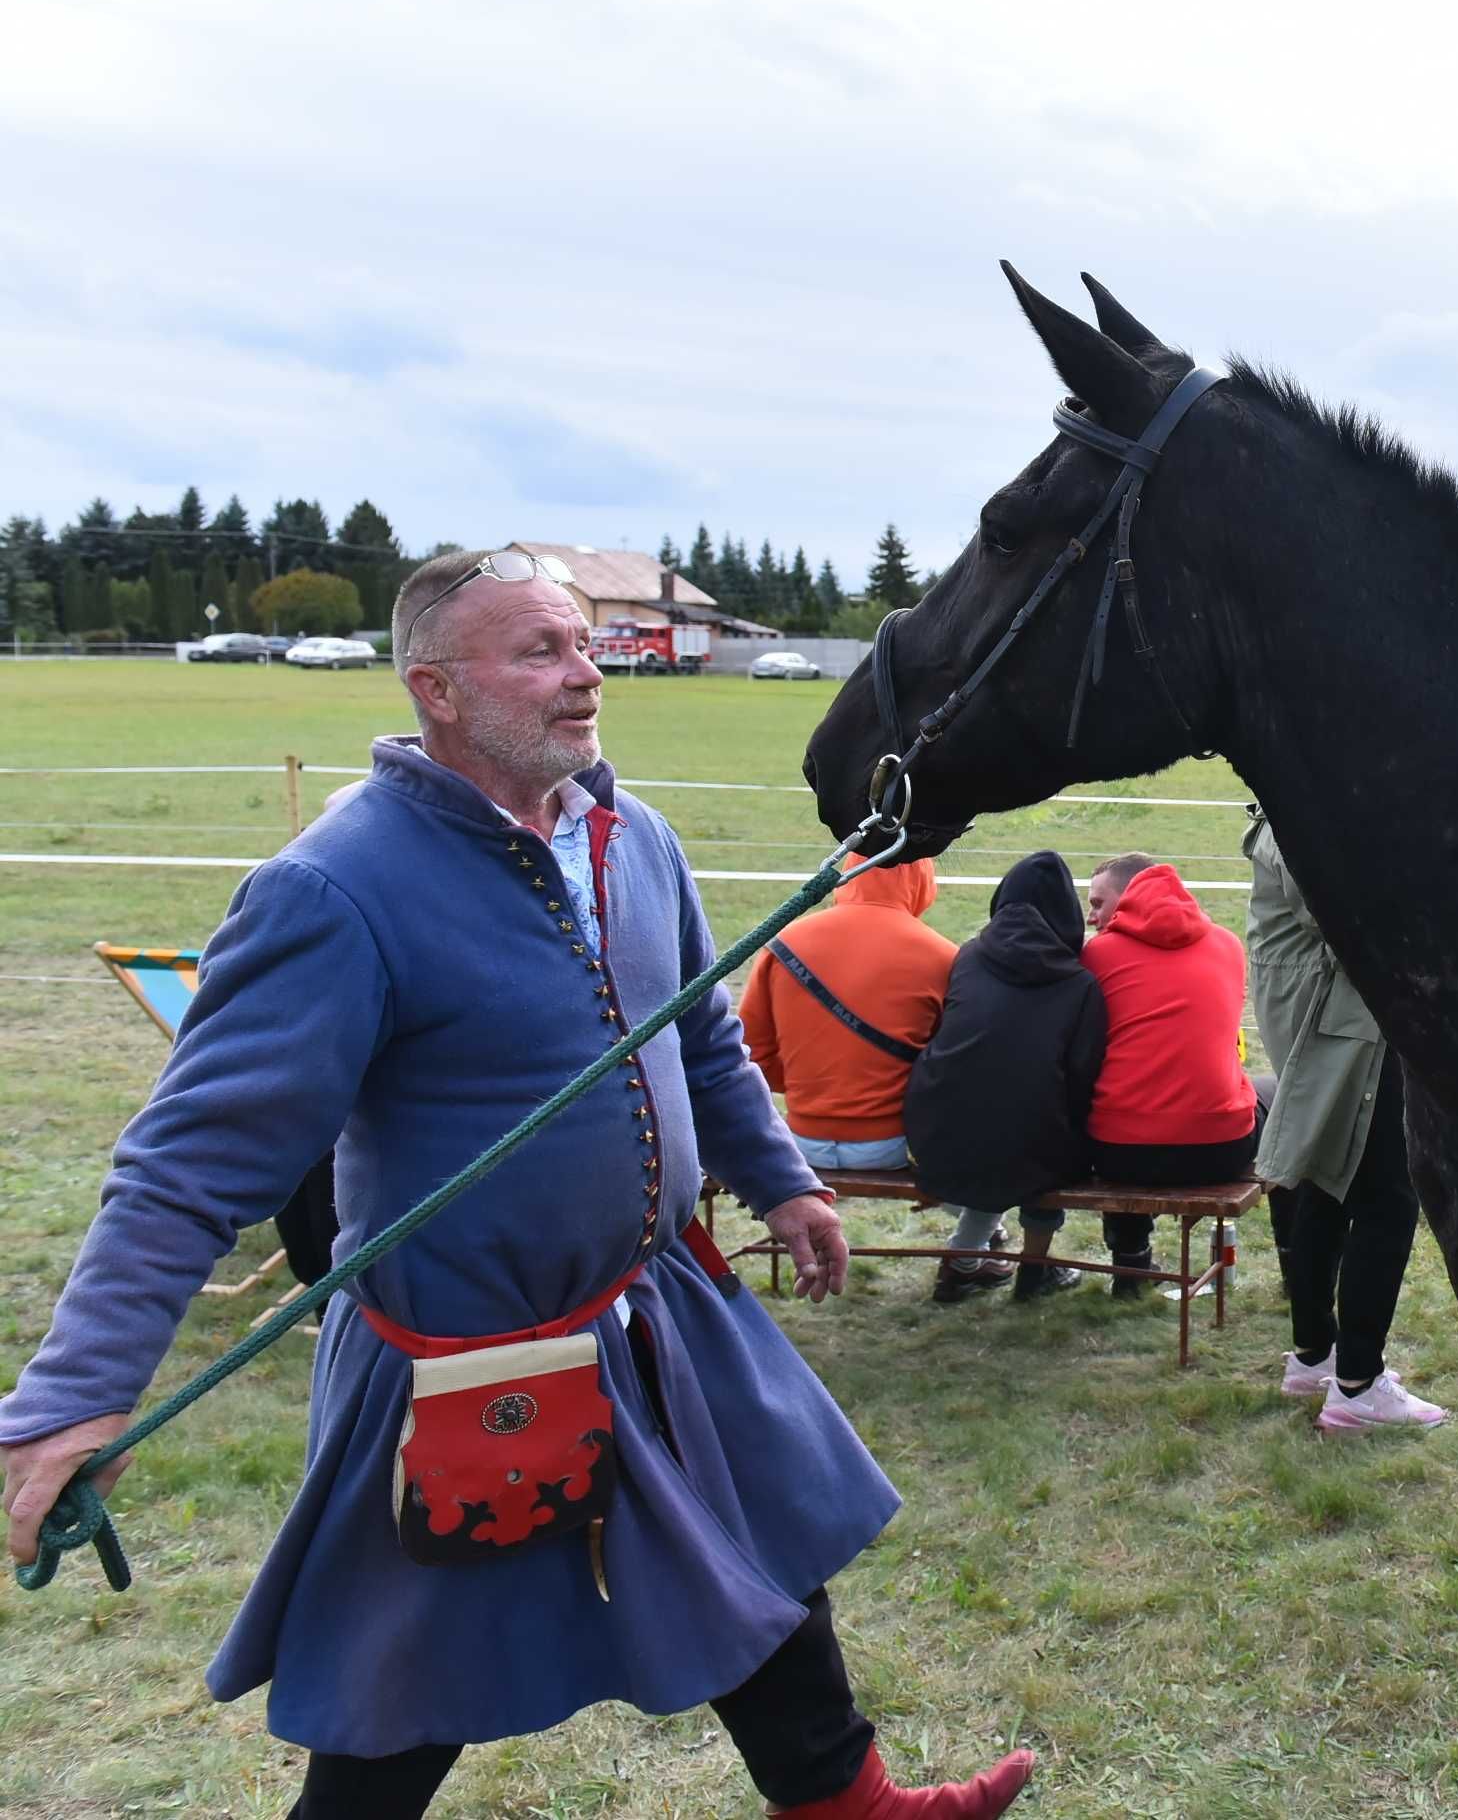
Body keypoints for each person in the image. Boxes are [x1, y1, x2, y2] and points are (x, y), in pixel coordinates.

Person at [0, 546, 1030, 1817]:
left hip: (653, 1308)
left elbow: (698, 1032)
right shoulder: (334, 887)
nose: (584, 675)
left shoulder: (628, 831)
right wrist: (76, 1396)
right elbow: (186, 1164)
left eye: (583, 646)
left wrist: (782, 1181)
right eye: (539, 651)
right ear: (436, 688)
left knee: (759, 1549)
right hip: (459, 1361)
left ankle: (846, 1803)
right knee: (406, 1679)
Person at [1243, 810, 1446, 1433]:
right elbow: (1349, 916)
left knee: (1330, 1186)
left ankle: (1316, 1356)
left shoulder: (1289, 808)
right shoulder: (1299, 817)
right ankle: (1358, 1385)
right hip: (1340, 1024)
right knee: (1389, 1198)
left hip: (1331, 1020)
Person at [738, 851, 1016, 1305]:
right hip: (893, 1146)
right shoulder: (943, 955)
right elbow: (953, 1068)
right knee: (996, 1173)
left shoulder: (785, 942)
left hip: (803, 1138)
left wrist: (815, 1086)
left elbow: (752, 1054)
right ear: (919, 878)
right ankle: (975, 1244)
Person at [902, 852, 1105, 1306]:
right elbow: (1082, 1078)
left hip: (935, 1131)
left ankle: (967, 1260)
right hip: (1029, 1147)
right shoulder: (1080, 985)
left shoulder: (970, 957)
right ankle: (1028, 1270)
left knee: (1002, 1130)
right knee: (1039, 1136)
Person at [1080, 854, 1260, 1292]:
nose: (1091, 916)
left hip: (1119, 1154)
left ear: (1129, 898)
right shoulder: (1227, 945)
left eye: (1098, 903)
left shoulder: (1097, 955)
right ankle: (1298, 1267)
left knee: (1127, 1102)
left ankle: (1131, 1263)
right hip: (1221, 1149)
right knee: (1279, 1101)